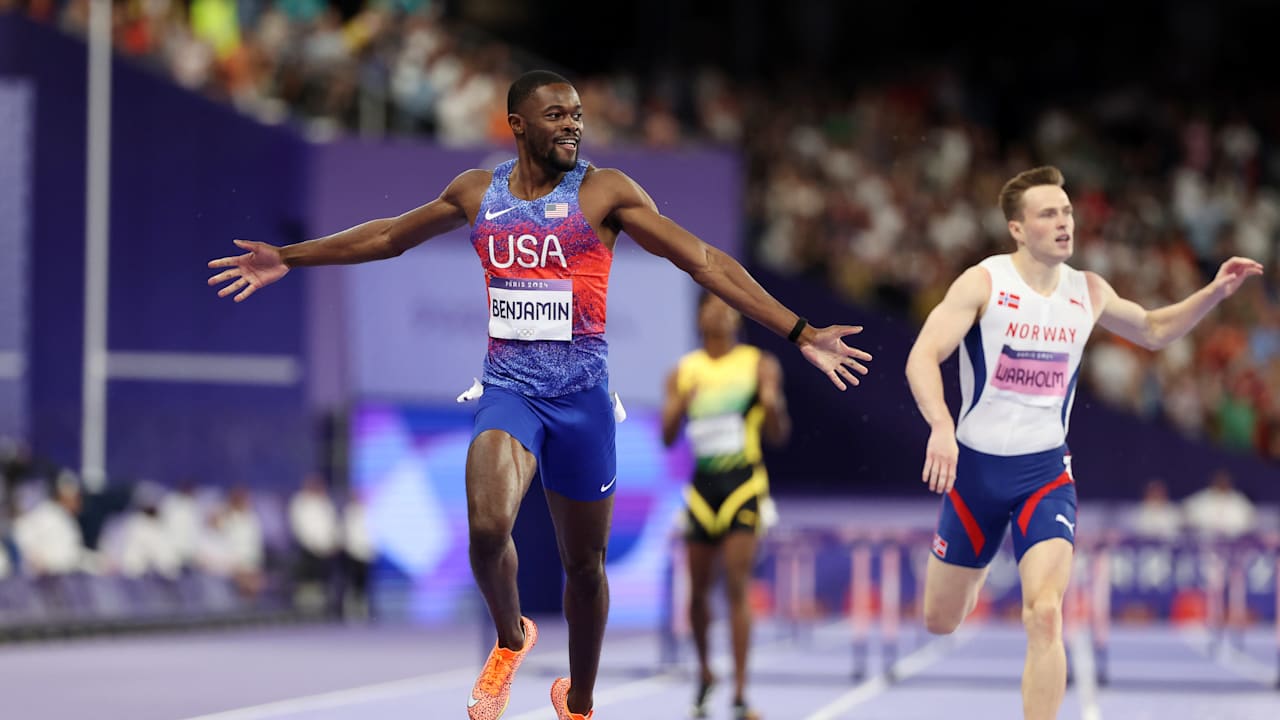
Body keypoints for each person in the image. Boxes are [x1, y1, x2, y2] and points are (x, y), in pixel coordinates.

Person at [207, 70, 872, 720]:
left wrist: (800, 331)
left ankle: (578, 703)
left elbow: (701, 259)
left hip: (583, 403)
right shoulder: (478, 192)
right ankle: (510, 639)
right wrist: (289, 256)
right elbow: (386, 236)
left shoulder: (604, 192)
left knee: (585, 567)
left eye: (577, 115)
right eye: (557, 115)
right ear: (517, 125)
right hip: (510, 391)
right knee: (487, 528)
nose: (572, 126)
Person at [904, 165, 1261, 720]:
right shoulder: (984, 282)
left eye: (1067, 211)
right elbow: (922, 357)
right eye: (1048, 214)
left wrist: (1214, 293)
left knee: (1045, 614)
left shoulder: (1087, 290)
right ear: (1017, 229)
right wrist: (941, 427)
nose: (1064, 222)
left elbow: (1154, 330)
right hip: (974, 475)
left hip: (1044, 476)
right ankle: (975, 565)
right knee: (940, 619)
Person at [661, 292, 789, 720]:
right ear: (699, 316)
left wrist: (772, 405)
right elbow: (666, 437)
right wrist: (680, 404)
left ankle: (739, 692)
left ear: (737, 317)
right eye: (712, 306)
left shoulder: (758, 364)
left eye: (727, 306)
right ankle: (704, 672)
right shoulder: (684, 370)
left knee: (736, 585)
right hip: (702, 489)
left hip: (743, 485)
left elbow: (778, 433)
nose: (720, 311)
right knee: (697, 593)